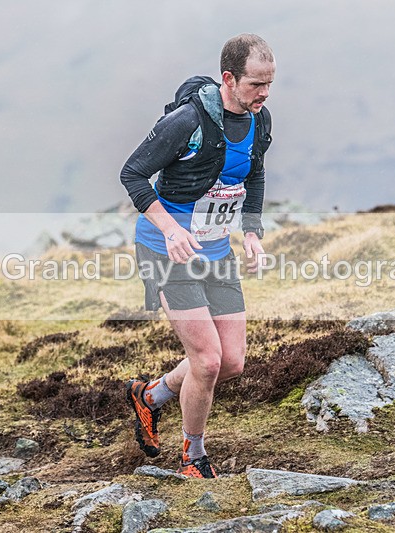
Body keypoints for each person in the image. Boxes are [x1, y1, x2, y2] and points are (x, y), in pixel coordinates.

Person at [119, 34, 275, 478]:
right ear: (229, 78)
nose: (264, 93)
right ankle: (193, 455)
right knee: (206, 362)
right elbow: (133, 174)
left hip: (215, 250)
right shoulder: (187, 121)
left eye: (269, 83)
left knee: (232, 362)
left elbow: (254, 176)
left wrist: (251, 234)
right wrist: (170, 229)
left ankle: (150, 396)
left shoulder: (259, 120)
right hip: (165, 250)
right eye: (255, 84)